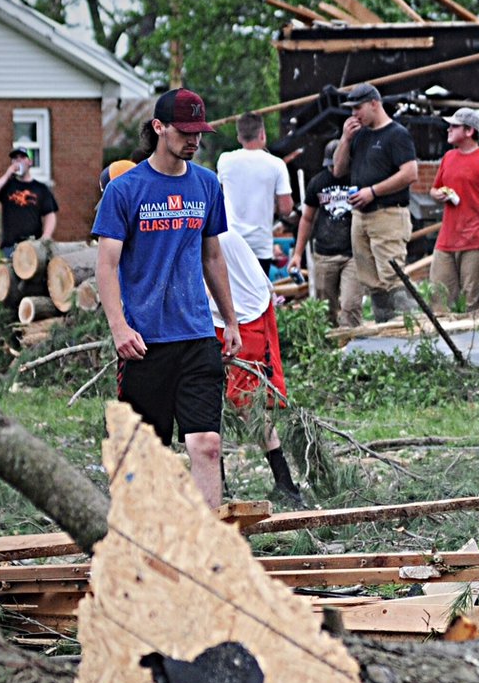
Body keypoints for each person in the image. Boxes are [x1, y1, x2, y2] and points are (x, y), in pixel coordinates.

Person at [93, 87, 242, 506]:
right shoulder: (125, 190)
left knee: (207, 445)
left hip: (196, 334)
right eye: (185, 131)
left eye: (199, 131)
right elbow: (105, 265)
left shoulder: (207, 184)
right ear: (159, 127)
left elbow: (213, 256)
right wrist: (119, 327)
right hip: (145, 343)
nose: (194, 139)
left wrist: (229, 321)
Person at [208, 226, 304, 508]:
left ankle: (285, 483)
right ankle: (217, 483)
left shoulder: (216, 234)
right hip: (213, 317)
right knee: (207, 399)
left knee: (246, 401)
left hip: (245, 316)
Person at [329, 84, 418, 320]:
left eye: (357, 108)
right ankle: (385, 327)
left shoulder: (396, 134)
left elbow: (410, 173)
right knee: (370, 278)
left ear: (374, 104)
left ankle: (410, 327)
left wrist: (373, 191)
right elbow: (338, 170)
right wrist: (345, 139)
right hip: (361, 216)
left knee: (392, 274)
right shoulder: (359, 135)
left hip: (387, 214)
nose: (353, 115)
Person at [428, 107, 479, 312]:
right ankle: (441, 343)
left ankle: (476, 341)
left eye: (454, 126)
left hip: (475, 240)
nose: (448, 130)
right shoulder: (448, 157)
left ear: (469, 131)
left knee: (474, 300)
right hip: (446, 240)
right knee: (438, 297)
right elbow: (434, 189)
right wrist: (438, 194)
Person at [291, 138, 361, 328]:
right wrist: (297, 253)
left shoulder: (358, 179)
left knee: (350, 304)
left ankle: (352, 347)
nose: (334, 169)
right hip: (324, 253)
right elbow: (306, 219)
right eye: (331, 165)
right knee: (325, 307)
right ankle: (330, 347)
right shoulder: (318, 182)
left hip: (353, 253)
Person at [215, 113, 295, 278]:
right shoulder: (276, 164)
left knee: (232, 299)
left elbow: (220, 195)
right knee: (258, 300)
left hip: (230, 243)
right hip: (260, 246)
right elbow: (286, 209)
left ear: (239, 136)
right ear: (262, 134)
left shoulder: (225, 160)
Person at [0, 146, 58, 251]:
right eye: (15, 158)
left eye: (22, 157)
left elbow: (50, 214)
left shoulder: (40, 188)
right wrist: (6, 176)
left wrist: (46, 236)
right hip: (9, 247)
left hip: (33, 247)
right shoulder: (7, 186)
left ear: (30, 162)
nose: (18, 160)